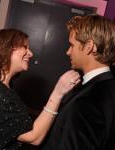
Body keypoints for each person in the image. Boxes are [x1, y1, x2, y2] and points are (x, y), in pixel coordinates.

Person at [0, 28, 80, 150]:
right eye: (25, 47)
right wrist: (58, 92)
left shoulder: (0, 87)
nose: (30, 53)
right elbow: (34, 137)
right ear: (7, 49)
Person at [41, 15, 115, 150]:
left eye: (72, 45)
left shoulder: (89, 100)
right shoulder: (107, 86)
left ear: (89, 46)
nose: (68, 52)